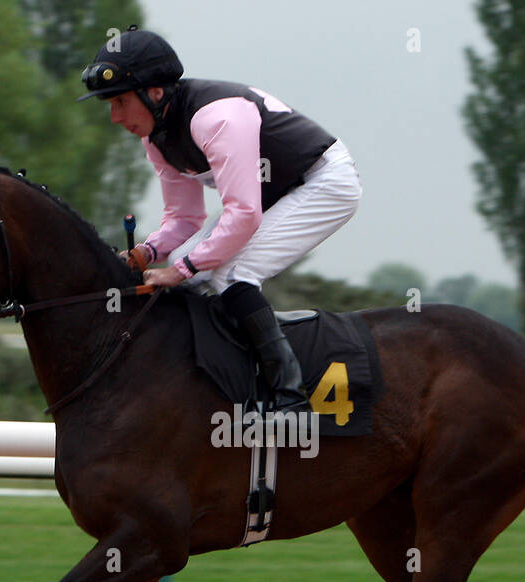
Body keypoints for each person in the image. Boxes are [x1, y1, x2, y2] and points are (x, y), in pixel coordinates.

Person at [79, 26, 362, 414]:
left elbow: (243, 215)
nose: (114, 117)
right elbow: (184, 218)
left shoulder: (216, 118)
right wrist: (147, 252)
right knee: (193, 268)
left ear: (155, 92)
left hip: (324, 182)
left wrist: (178, 270)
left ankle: (290, 398)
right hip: (271, 193)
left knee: (230, 272)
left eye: (120, 102)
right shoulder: (156, 138)